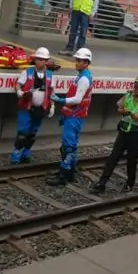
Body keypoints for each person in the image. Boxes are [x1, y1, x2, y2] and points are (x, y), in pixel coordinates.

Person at [91, 77, 138, 193]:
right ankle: (102, 183)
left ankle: (130, 183)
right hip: (123, 131)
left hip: (136, 134)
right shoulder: (128, 96)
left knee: (132, 160)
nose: (135, 89)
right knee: (113, 157)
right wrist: (123, 111)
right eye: (134, 86)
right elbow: (119, 108)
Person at [46, 48, 94, 186]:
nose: (76, 62)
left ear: (86, 62)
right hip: (73, 115)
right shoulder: (82, 75)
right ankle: (71, 173)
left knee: (68, 147)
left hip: (75, 116)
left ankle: (64, 176)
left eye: (80, 61)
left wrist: (60, 100)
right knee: (69, 146)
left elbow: (77, 99)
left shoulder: (84, 78)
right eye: (77, 60)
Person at [10, 47, 56, 164]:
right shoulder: (27, 72)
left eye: (43, 60)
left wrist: (52, 105)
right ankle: (16, 156)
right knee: (22, 134)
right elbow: (18, 84)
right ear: (35, 59)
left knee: (32, 134)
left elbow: (51, 92)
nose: (40, 62)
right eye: (38, 59)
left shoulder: (50, 75)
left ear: (46, 61)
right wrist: (19, 91)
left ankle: (26, 153)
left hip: (40, 109)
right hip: (26, 107)